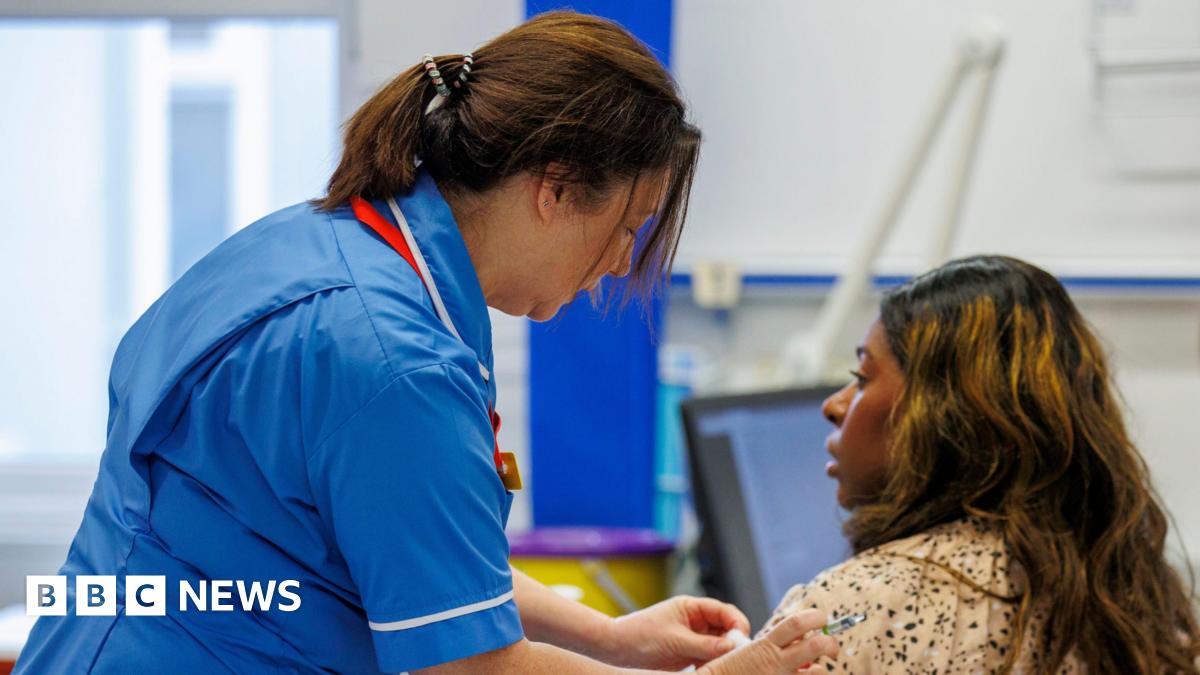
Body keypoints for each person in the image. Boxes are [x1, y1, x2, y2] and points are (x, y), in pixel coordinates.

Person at [16, 10, 837, 675]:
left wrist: (613, 636)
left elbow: (424, 556)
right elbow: (477, 668)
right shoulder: (395, 361)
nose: (620, 263)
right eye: (625, 226)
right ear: (553, 188)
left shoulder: (325, 245)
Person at [760, 255, 1200, 673]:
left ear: (940, 414)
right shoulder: (1132, 597)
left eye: (861, 378)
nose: (834, 406)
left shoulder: (839, 616)